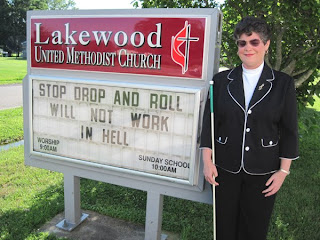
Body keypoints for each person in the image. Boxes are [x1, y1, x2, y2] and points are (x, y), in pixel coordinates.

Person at [200, 16, 299, 240]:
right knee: (223, 228)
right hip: (224, 168)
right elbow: (209, 124)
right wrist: (207, 161)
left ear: (266, 45)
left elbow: (290, 131)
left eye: (254, 42)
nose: (248, 48)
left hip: (263, 170)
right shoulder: (221, 81)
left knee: (254, 230)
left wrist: (283, 171)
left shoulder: (283, 83)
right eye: (242, 43)